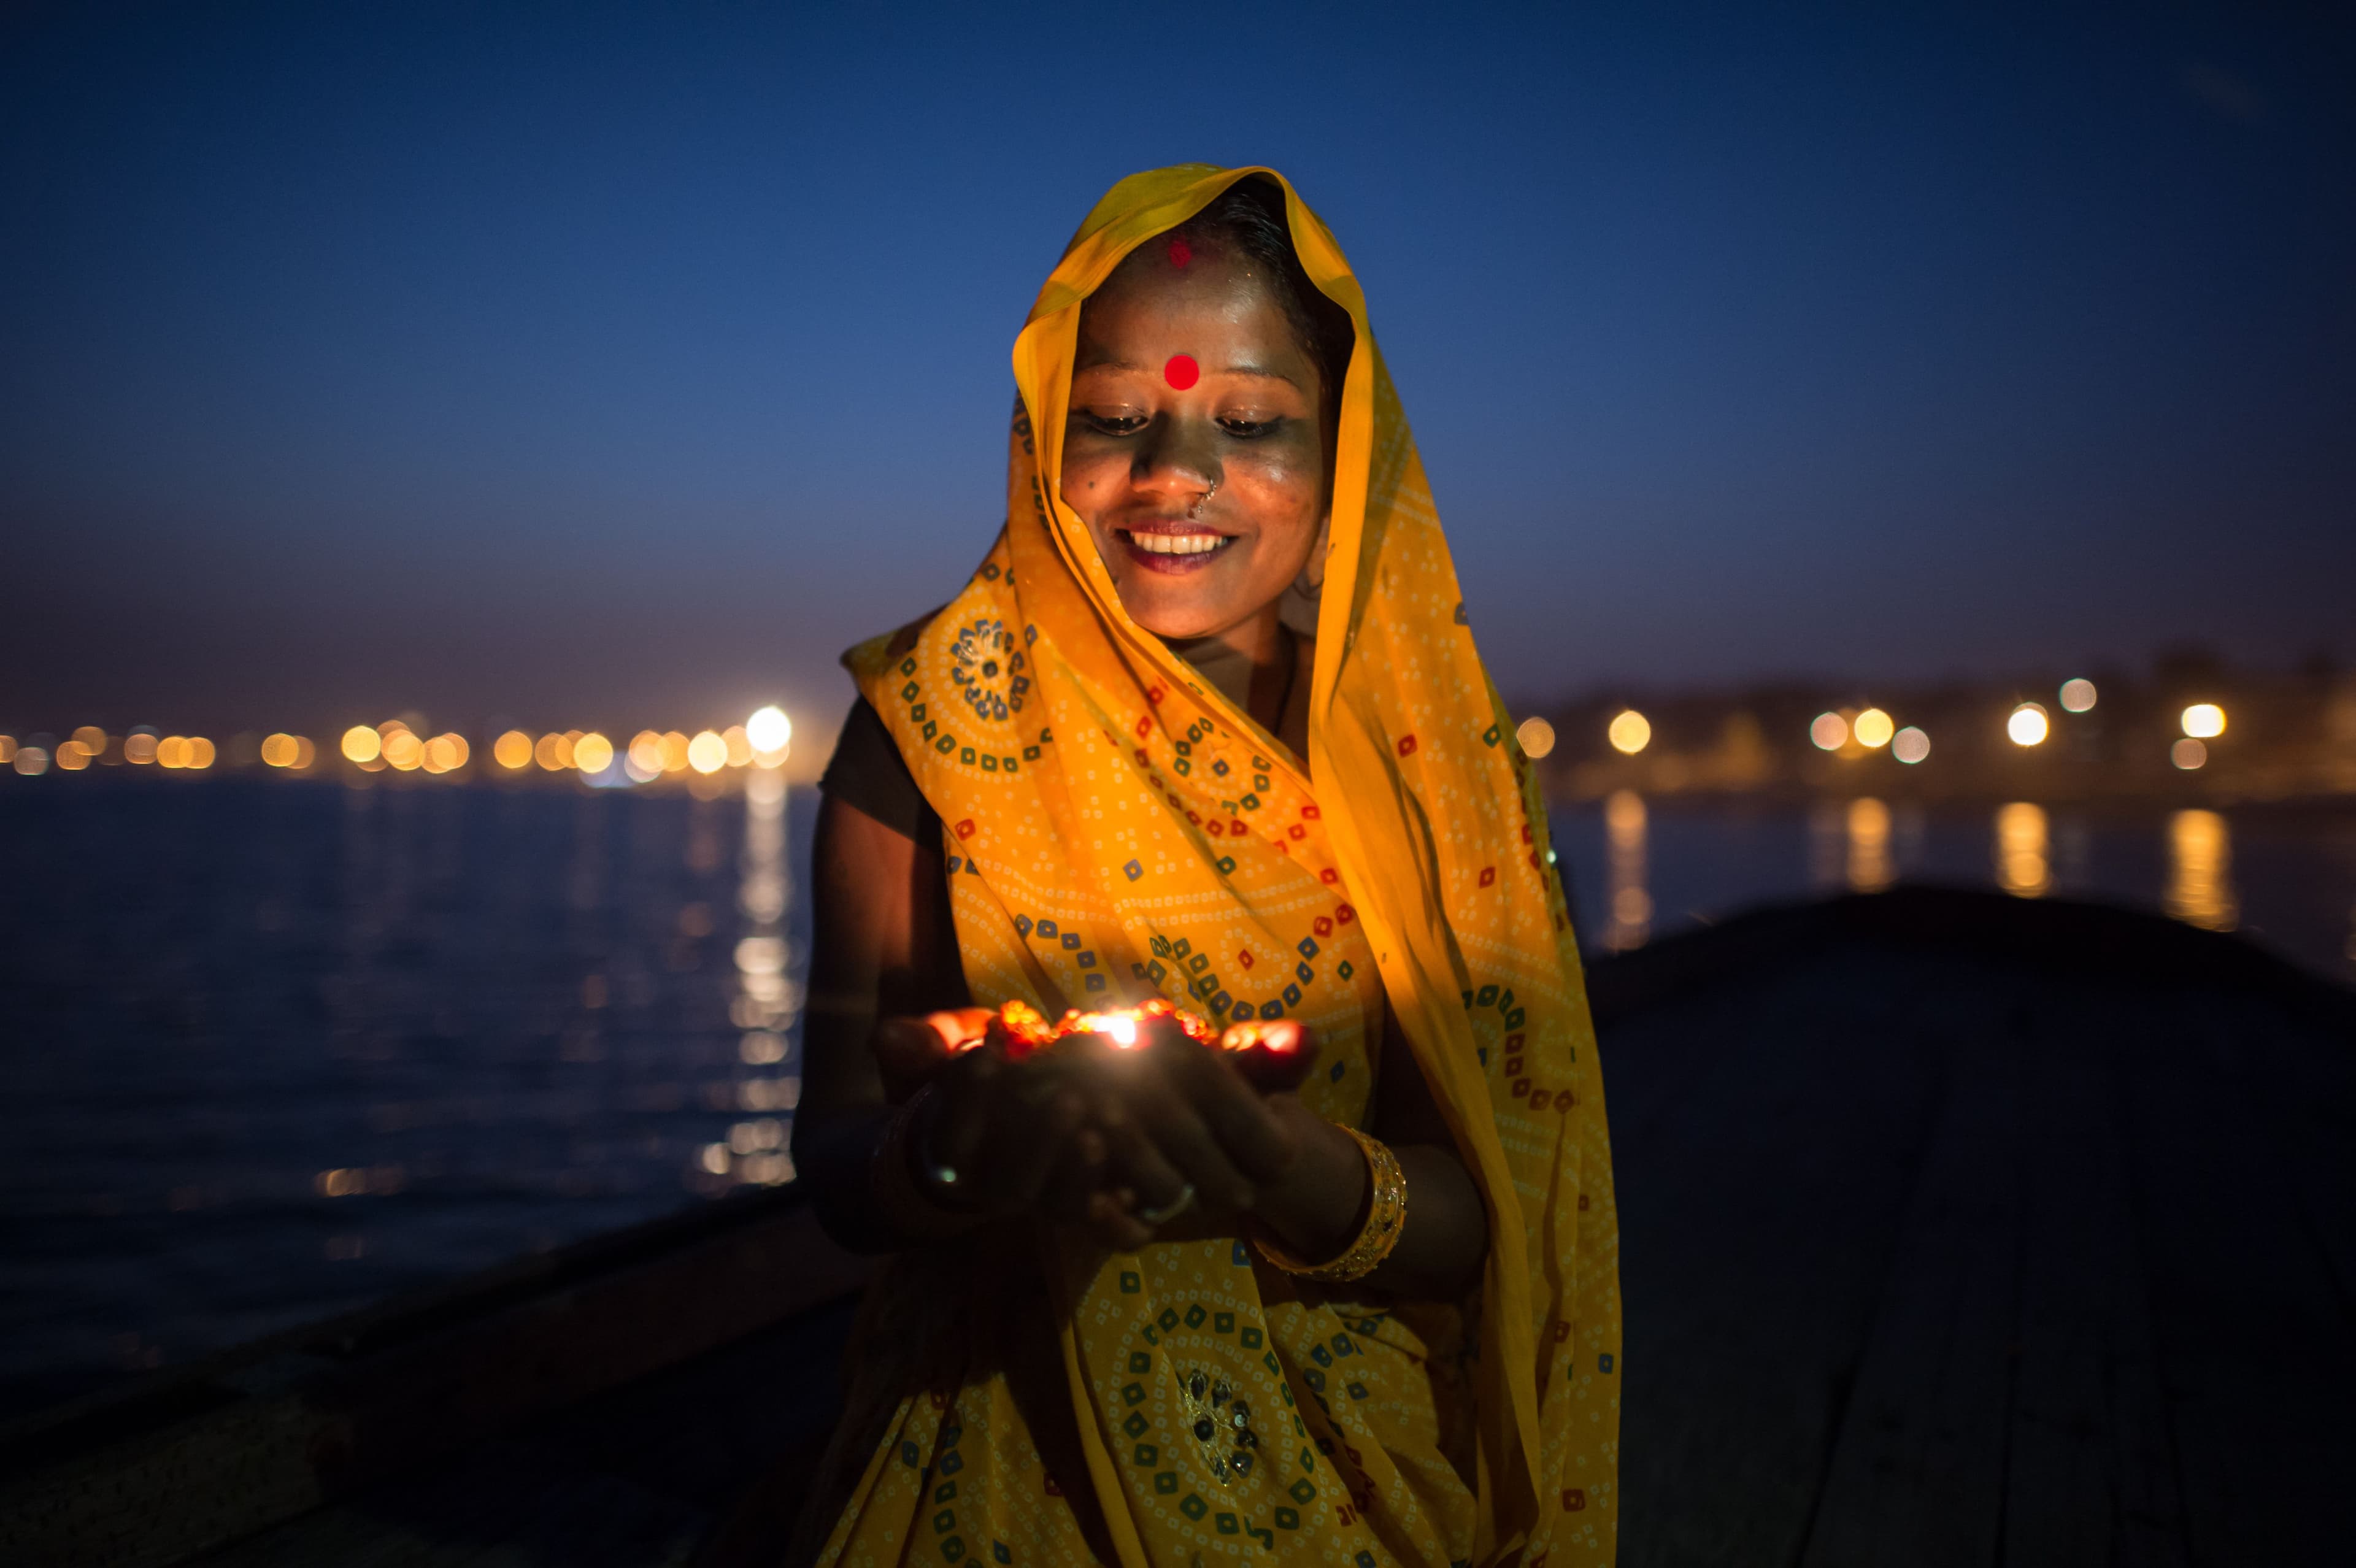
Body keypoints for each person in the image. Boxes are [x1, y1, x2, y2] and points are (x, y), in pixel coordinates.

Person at [792, 166, 1620, 1568]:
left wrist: (1278, 1172)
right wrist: (958, 1155)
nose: (1176, 473)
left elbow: (1499, 1211)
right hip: (990, 1456)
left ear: (1342, 451)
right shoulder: (921, 732)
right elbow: (834, 1157)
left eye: (1250, 423)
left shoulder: (1432, 776)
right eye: (1115, 416)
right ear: (1042, 431)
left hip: (1348, 1481)